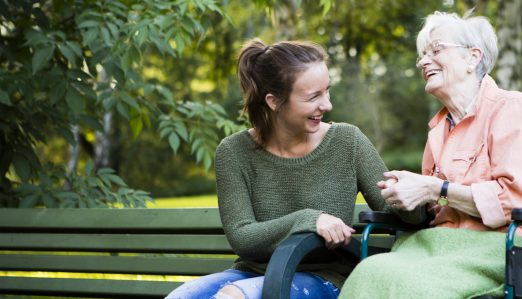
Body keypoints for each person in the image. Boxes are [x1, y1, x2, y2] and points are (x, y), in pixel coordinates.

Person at [165, 39, 423, 299]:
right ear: (274, 101)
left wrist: (414, 198)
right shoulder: (233, 152)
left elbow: (396, 212)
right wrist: (310, 220)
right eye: (313, 97)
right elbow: (242, 236)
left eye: (327, 91)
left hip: (324, 277)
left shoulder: (348, 141)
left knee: (234, 296)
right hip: (250, 274)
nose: (327, 105)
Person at [339, 10, 522, 299]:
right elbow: (434, 208)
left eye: (436, 50)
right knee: (370, 272)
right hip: (440, 246)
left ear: (472, 57)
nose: (423, 61)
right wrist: (410, 196)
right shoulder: (438, 131)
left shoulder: (514, 110)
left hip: (511, 249)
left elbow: (517, 202)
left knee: (413, 285)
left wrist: (436, 188)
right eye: (422, 54)